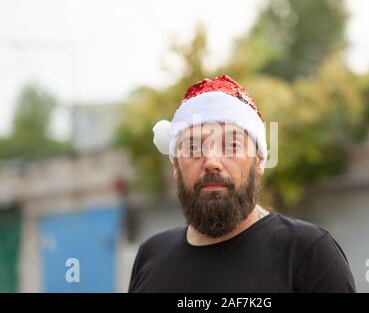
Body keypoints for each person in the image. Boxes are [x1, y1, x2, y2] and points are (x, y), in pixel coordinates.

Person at [128, 75, 356, 293]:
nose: (212, 162)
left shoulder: (309, 254)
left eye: (232, 145)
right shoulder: (150, 256)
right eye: (194, 147)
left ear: (259, 161)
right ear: (176, 165)